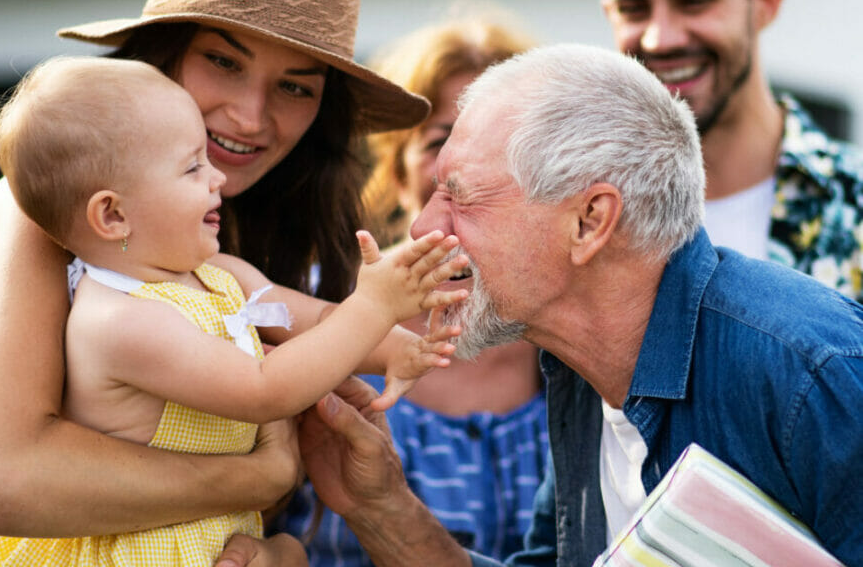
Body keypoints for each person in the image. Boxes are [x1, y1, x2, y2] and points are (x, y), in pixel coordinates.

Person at [219, 43, 863, 567]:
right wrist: (380, 503)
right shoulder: (582, 369)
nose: (421, 228)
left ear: (589, 222)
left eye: (460, 197)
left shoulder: (814, 375)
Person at [0, 0, 430, 564]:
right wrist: (261, 477)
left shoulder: (220, 234)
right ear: (164, 53)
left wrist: (278, 553)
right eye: (223, 61)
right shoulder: (44, 218)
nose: (250, 115)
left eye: (295, 87)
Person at [272, 13, 549, 563]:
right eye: (441, 140)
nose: (469, 168)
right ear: (398, 174)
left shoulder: (568, 335)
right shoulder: (313, 310)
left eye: (505, 144)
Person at [597, 0, 863, 301]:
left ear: (765, 1)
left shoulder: (854, 202)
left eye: (695, 2)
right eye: (633, 9)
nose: (659, 39)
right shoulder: (581, 213)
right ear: (610, 15)